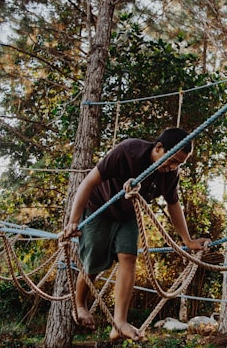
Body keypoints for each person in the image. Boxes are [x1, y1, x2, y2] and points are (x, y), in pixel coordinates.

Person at [62, 127, 209, 341]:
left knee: (129, 257)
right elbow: (88, 182)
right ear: (158, 147)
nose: (173, 167)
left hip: (127, 215)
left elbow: (173, 204)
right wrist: (73, 221)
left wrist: (187, 240)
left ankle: (119, 323)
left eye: (179, 163)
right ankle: (80, 304)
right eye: (172, 160)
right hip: (99, 207)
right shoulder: (128, 151)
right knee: (92, 262)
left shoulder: (170, 175)